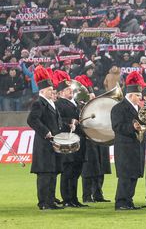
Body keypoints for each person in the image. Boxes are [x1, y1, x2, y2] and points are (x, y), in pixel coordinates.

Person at [26, 66, 62, 210]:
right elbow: (32, 120)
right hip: (44, 144)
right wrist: (45, 132)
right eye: (49, 90)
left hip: (53, 144)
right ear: (42, 91)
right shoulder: (39, 103)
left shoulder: (50, 103)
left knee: (52, 173)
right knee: (45, 175)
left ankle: (50, 201)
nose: (52, 91)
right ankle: (43, 202)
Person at [110, 71, 145, 211]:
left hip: (136, 146)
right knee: (125, 176)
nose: (140, 99)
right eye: (139, 96)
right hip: (125, 147)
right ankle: (121, 202)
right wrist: (133, 126)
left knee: (133, 175)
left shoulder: (139, 109)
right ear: (131, 95)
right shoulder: (118, 108)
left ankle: (128, 201)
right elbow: (116, 126)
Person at [53, 70, 87, 208]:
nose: (70, 91)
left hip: (79, 141)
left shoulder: (77, 103)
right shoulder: (59, 103)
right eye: (67, 90)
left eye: (70, 89)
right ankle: (67, 198)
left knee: (76, 172)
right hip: (68, 142)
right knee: (68, 171)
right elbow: (58, 119)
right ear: (60, 93)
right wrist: (70, 121)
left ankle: (74, 198)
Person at [76, 76, 111, 204]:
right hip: (89, 142)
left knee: (101, 169)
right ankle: (86, 196)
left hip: (100, 141)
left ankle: (98, 194)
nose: (93, 98)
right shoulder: (80, 109)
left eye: (93, 95)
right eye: (90, 95)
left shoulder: (98, 108)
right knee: (88, 170)